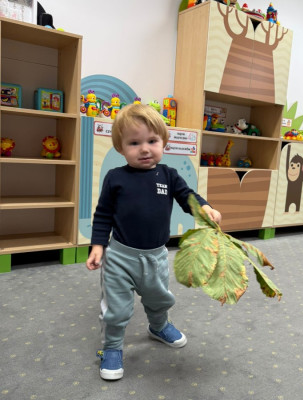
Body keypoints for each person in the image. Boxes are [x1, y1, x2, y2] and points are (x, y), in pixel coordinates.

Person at [86, 103, 222, 381]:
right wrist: (98, 245)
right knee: (116, 309)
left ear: (163, 142)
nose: (145, 149)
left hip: (156, 256)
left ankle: (158, 326)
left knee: (159, 298)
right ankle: (111, 348)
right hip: (120, 257)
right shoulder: (115, 178)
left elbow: (187, 197)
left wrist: (205, 209)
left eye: (152, 141)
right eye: (134, 143)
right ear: (121, 148)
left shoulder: (168, 175)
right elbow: (103, 215)